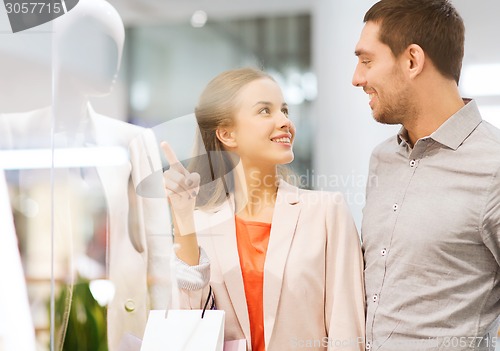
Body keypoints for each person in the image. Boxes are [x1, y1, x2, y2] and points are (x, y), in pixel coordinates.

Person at [0, 0, 170, 349]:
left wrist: (169, 330)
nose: (115, 64)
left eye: (118, 50)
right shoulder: (14, 133)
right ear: (67, 49)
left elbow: (160, 252)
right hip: (35, 319)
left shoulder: (134, 140)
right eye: (104, 48)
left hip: (120, 324)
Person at [163, 67, 365, 351]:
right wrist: (183, 219)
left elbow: (347, 331)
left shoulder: (326, 213)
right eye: (264, 111)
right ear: (227, 134)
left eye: (284, 110)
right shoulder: (201, 224)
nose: (284, 121)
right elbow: (184, 331)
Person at [352, 1, 500, 350]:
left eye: (366, 60)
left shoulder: (493, 165)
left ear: (412, 60)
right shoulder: (382, 158)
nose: (357, 77)